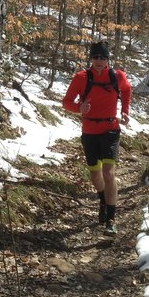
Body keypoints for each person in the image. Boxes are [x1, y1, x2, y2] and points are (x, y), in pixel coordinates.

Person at [62, 41, 131, 235]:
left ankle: (111, 219)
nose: (99, 61)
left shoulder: (118, 76)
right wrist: (79, 108)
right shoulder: (81, 78)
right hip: (89, 130)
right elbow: (66, 102)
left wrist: (125, 111)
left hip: (110, 129)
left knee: (108, 172)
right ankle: (103, 199)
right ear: (91, 59)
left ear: (108, 59)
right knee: (95, 175)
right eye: (95, 57)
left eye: (103, 57)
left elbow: (126, 90)